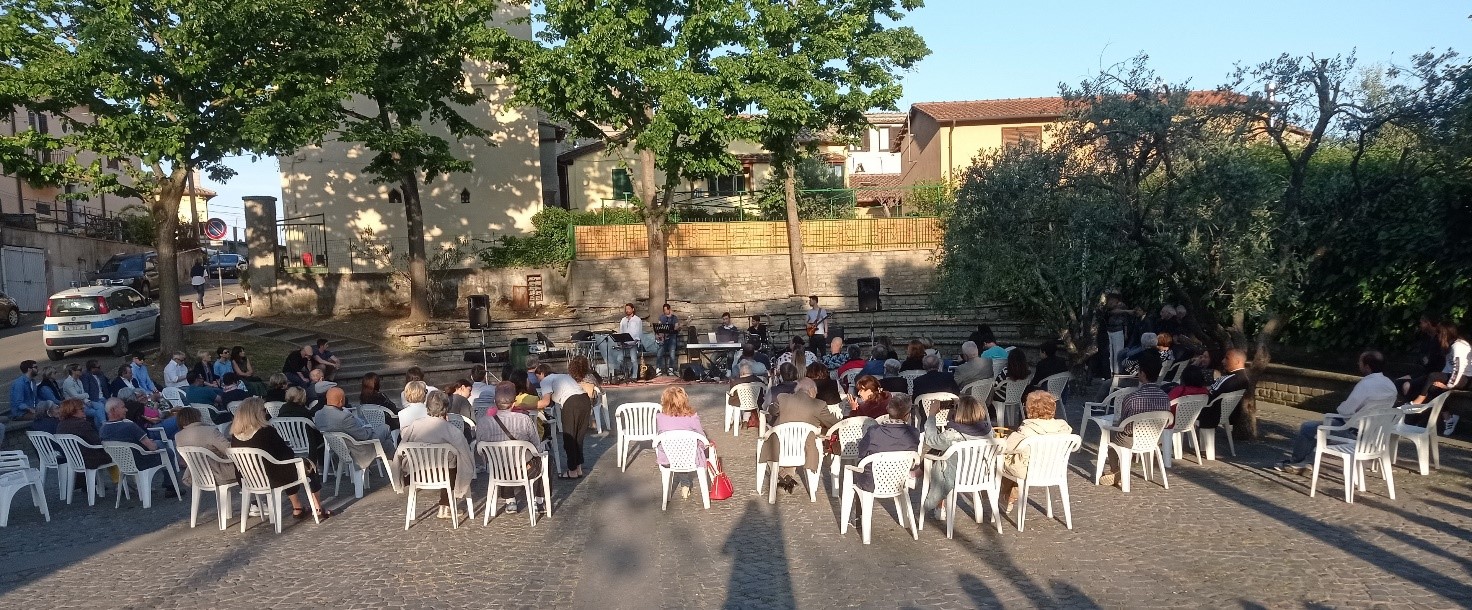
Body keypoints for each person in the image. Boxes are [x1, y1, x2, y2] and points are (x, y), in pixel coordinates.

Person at [1273, 350, 1397, 474]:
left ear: (1367, 367)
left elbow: (1345, 410)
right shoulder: (1390, 385)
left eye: (1360, 362)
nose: (1358, 364)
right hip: (1376, 435)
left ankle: (1296, 462)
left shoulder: (1366, 384)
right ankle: (1307, 462)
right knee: (1324, 428)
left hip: (1354, 433)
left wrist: (1346, 408)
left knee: (1309, 428)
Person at [231, 398, 329, 519]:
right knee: (308, 465)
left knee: (285, 466)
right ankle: (317, 507)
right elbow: (286, 454)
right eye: (264, 410)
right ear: (256, 413)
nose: (266, 413)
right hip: (274, 477)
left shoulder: (235, 436)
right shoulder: (266, 432)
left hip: (249, 479)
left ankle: (297, 507)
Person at [395, 390, 475, 519]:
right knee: (456, 463)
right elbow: (465, 455)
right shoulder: (452, 430)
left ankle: (444, 505)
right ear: (446, 408)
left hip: (418, 473)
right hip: (445, 475)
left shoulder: (414, 426)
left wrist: (399, 474)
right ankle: (446, 506)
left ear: (427, 407)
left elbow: (401, 449)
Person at [1098, 355, 1170, 487]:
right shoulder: (1165, 397)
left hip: (1130, 439)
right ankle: (1118, 473)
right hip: (1154, 438)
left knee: (1110, 439)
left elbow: (1123, 423)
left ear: (1143, 374)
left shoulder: (1132, 398)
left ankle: (1116, 471)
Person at [476, 381, 544, 514]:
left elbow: (480, 449)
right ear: (513, 404)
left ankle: (510, 501)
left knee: (502, 460)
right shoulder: (524, 419)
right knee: (545, 460)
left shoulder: (483, 422)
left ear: (495, 403)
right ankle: (539, 501)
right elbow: (537, 446)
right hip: (524, 469)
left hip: (497, 470)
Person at [923, 395, 994, 520]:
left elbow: (930, 440)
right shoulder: (988, 430)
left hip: (955, 476)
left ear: (959, 412)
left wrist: (932, 415)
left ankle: (939, 505)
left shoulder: (952, 435)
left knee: (939, 454)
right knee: (943, 450)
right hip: (980, 475)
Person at [761, 379, 839, 493]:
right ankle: (788, 478)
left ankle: (784, 476)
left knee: (767, 439)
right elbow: (835, 424)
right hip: (804, 449)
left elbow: (772, 411)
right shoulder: (819, 405)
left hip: (780, 447)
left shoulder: (783, 398)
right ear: (811, 390)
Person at [999, 392, 1073, 508]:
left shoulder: (1026, 430)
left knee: (1001, 459)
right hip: (1053, 469)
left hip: (1028, 470)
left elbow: (1006, 447)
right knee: (1018, 459)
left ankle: (1002, 495)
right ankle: (1010, 495)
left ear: (1029, 410)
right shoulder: (1064, 429)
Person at [100, 398, 179, 498]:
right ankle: (171, 487)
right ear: (113, 410)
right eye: (123, 407)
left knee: (159, 443)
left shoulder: (103, 429)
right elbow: (152, 448)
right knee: (168, 452)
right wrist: (152, 444)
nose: (126, 410)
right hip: (141, 461)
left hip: (122, 463)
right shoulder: (129, 426)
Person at [1407, 320, 1469, 435]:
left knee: (1433, 376)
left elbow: (1458, 369)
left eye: (1439, 333)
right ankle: (1448, 419)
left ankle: (1419, 401)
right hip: (1456, 376)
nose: (1437, 336)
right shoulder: (1450, 346)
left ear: (1445, 334)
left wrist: (1448, 386)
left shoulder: (1458, 346)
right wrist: (1440, 380)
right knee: (1433, 387)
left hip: (1466, 378)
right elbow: (1448, 367)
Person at [535, 363, 596, 478]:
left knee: (569, 437)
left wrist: (525, 405)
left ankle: (572, 471)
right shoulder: (563, 376)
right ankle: (578, 468)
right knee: (578, 437)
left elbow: (545, 402)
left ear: (542, 373)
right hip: (585, 400)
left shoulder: (545, 380)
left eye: (537, 377)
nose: (538, 381)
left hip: (571, 403)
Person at [852, 395, 921, 492]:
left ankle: (859, 501)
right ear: (907, 415)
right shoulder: (914, 433)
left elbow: (861, 452)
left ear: (888, 410)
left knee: (858, 466)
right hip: (900, 480)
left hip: (873, 483)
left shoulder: (874, 432)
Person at [314, 386, 395, 464]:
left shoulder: (318, 415)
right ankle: (394, 465)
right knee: (385, 428)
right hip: (358, 451)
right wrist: (369, 428)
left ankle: (394, 463)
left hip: (339, 452)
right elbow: (364, 436)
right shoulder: (344, 417)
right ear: (341, 400)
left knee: (387, 443)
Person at [655, 386, 710, 499]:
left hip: (669, 457)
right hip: (690, 456)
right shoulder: (692, 417)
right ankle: (710, 481)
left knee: (677, 449)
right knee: (701, 447)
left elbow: (660, 435)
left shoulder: (660, 418)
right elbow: (701, 437)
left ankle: (684, 484)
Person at [173, 406, 237, 485]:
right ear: (198, 417)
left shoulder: (178, 436)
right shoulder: (210, 431)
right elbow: (230, 451)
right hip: (218, 473)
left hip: (196, 475)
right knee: (247, 465)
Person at [56, 398, 110, 486]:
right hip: (89, 459)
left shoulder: (60, 425)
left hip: (73, 459)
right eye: (81, 409)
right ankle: (119, 483)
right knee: (115, 452)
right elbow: (97, 442)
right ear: (72, 411)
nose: (84, 411)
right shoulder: (82, 424)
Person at [1201, 349, 1250, 431]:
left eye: (1227, 358)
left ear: (1237, 362)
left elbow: (1211, 394)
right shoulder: (1244, 379)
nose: (1223, 361)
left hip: (1211, 413)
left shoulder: (1229, 379)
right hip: (1229, 414)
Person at [61, 363, 107, 427]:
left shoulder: (79, 380)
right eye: (79, 370)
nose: (81, 371)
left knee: (100, 405)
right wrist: (86, 395)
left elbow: (82, 393)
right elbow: (75, 396)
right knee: (97, 413)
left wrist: (87, 401)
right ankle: (103, 427)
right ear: (73, 371)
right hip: (74, 405)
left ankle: (104, 423)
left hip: (83, 402)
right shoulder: (68, 382)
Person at [614, 303, 644, 381]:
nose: (627, 310)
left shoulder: (637, 320)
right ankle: (625, 374)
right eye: (626, 309)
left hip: (633, 342)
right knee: (619, 359)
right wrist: (620, 341)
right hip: (624, 342)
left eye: (629, 309)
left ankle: (634, 376)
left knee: (633, 360)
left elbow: (639, 332)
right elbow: (621, 331)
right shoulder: (623, 320)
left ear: (633, 309)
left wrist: (636, 341)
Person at [654, 303, 680, 377]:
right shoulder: (661, 317)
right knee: (660, 352)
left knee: (672, 353)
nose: (665, 311)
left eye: (666, 310)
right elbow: (658, 327)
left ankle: (671, 369)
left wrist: (677, 327)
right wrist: (658, 335)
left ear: (669, 309)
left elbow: (676, 327)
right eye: (664, 310)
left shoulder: (674, 318)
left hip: (672, 337)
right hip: (663, 338)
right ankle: (658, 368)